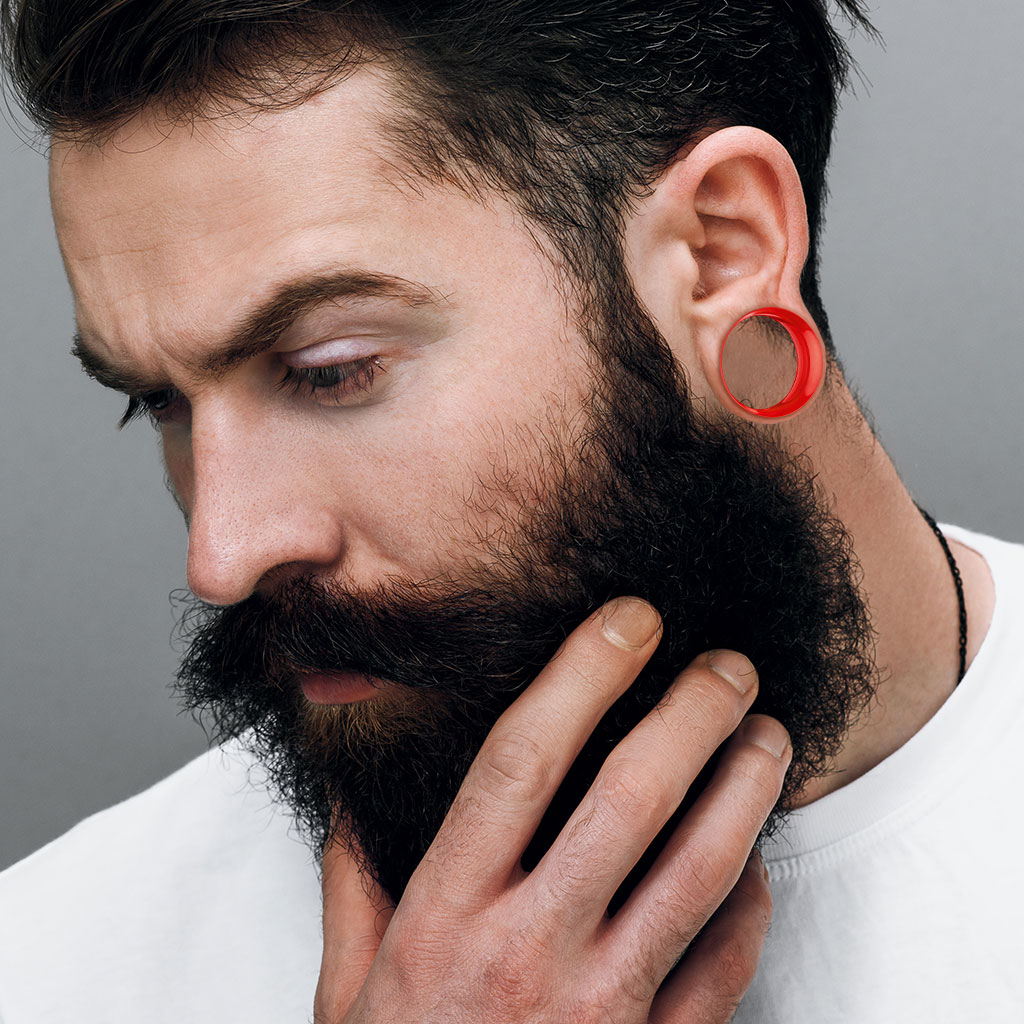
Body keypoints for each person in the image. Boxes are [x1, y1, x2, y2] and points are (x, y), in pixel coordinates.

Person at [0, 1, 1020, 1021]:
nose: (220, 555)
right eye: (161, 402)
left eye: (330, 370)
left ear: (721, 253)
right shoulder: (48, 967)